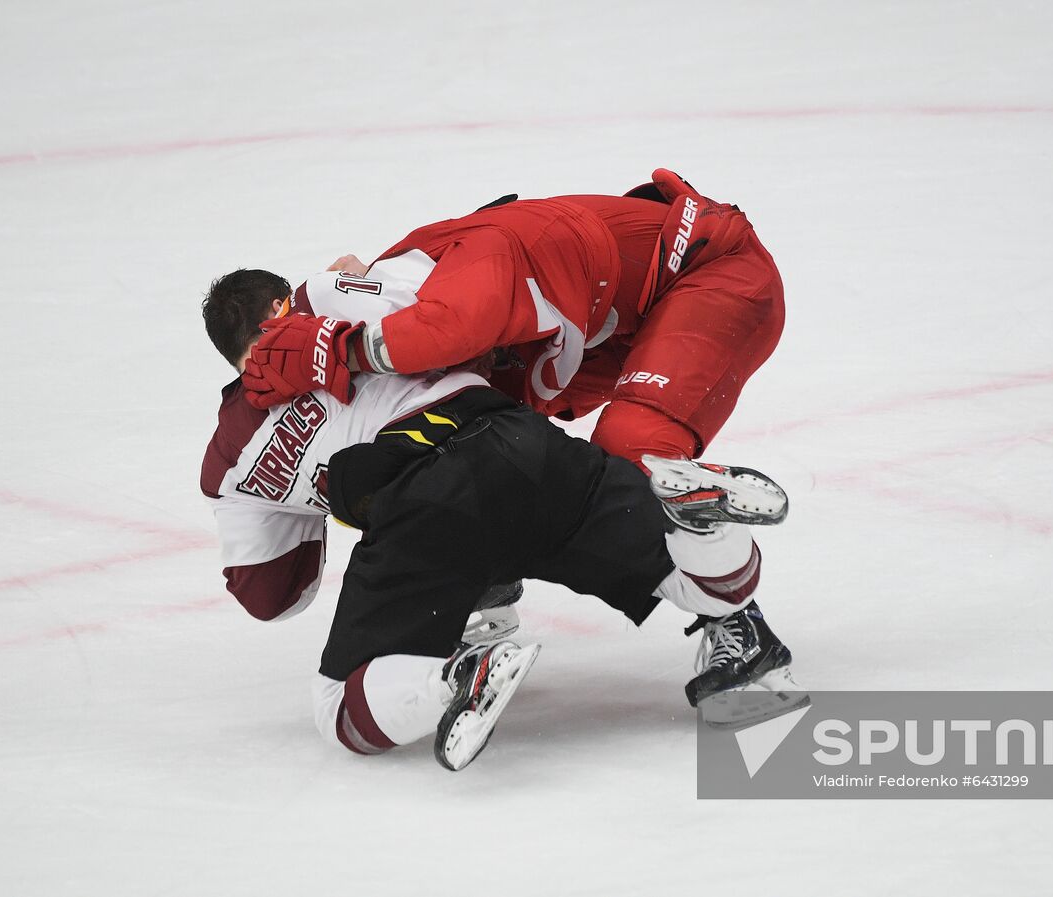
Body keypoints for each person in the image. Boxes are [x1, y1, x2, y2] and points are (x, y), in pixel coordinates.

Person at [200, 270, 801, 769]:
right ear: (280, 305)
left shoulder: (228, 456)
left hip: (427, 506)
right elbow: (466, 310)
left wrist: (310, 496)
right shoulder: (326, 296)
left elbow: (273, 594)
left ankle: (458, 676)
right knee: (695, 582)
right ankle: (702, 524)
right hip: (522, 443)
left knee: (339, 710)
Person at [230, 169, 790, 696]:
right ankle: (487, 599)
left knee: (630, 453)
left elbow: (454, 323)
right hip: (610, 317)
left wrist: (342, 346)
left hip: (709, 275)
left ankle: (739, 622)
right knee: (486, 457)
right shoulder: (394, 294)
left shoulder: (470, 260)